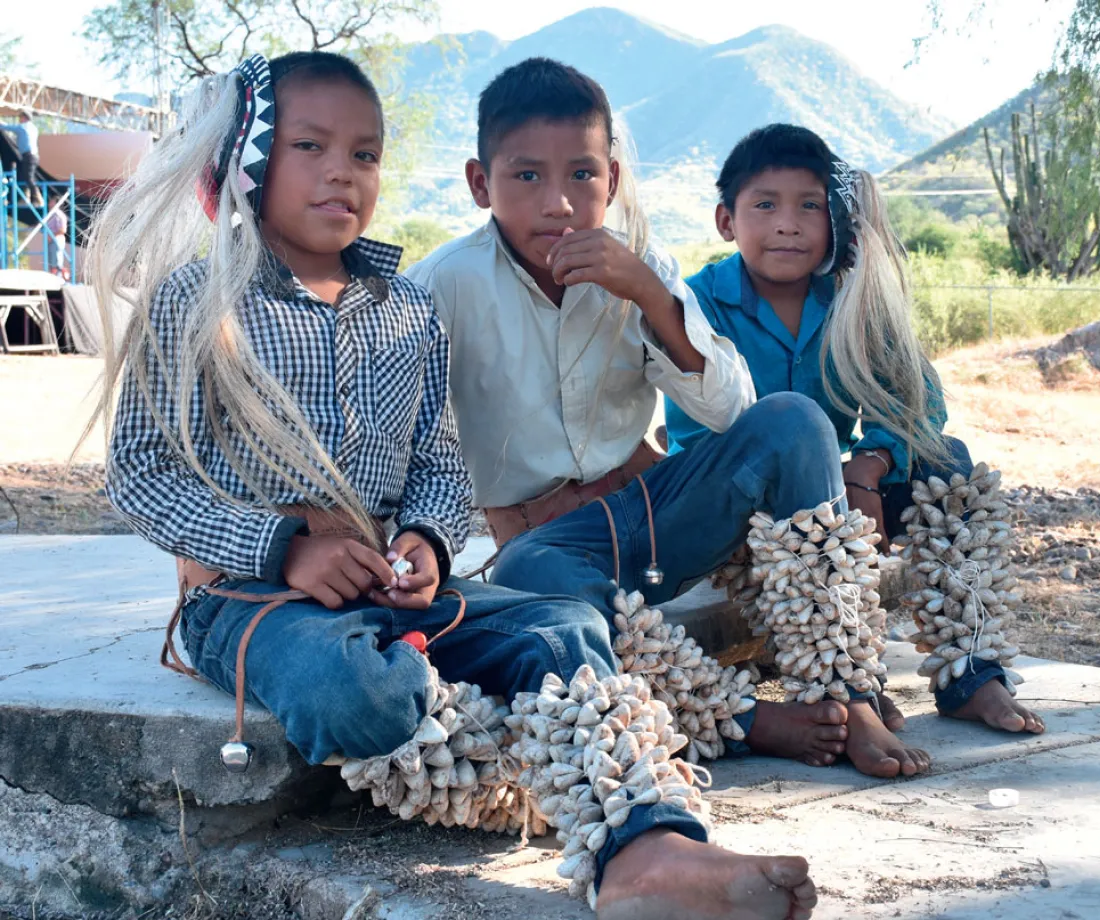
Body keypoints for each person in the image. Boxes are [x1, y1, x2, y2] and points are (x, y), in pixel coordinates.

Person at [88, 51, 818, 920]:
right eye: (310, 147)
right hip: (251, 601)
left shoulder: (405, 309)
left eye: (364, 155)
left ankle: (644, 849)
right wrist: (284, 552)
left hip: (396, 595)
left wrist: (427, 544)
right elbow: (139, 472)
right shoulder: (197, 301)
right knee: (358, 692)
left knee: (566, 626)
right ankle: (560, 761)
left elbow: (438, 464)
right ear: (248, 161)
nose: (341, 173)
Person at [407, 58, 919, 778]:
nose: (558, 203)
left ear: (611, 180)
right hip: (544, 544)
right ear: (478, 183)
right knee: (536, 571)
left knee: (793, 420)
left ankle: (847, 689)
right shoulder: (438, 286)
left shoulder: (640, 263)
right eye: (527, 177)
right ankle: (743, 718)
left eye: (582, 176)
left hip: (654, 515)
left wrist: (648, 293)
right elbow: (403, 441)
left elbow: (732, 410)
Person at [664, 124, 1045, 740]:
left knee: (947, 463)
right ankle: (852, 684)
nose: (788, 224)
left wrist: (868, 466)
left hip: (842, 492)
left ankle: (971, 671)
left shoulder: (852, 294)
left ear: (836, 223)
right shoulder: (697, 301)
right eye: (765, 205)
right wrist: (825, 490)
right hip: (738, 505)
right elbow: (698, 428)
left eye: (810, 206)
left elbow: (918, 398)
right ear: (726, 221)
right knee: (810, 526)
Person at [0, 109, 43, 207]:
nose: (19, 119)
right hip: (32, 156)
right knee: (24, 176)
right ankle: (25, 198)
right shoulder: (32, 128)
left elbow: (8, 127)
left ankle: (38, 197)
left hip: (29, 156)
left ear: (24, 118)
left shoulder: (23, 127)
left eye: (20, 117)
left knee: (28, 177)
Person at [45, 193, 68, 278]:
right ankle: (54, 277)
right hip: (51, 240)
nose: (49, 204)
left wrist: (52, 236)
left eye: (52, 202)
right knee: (51, 262)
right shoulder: (50, 214)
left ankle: (60, 277)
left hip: (56, 240)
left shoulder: (58, 214)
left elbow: (62, 230)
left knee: (56, 262)